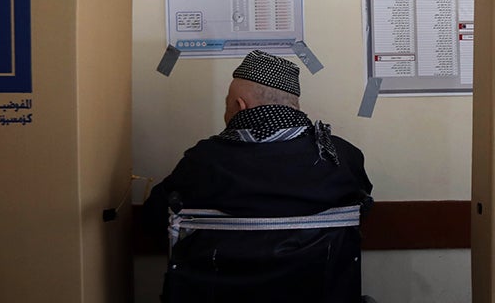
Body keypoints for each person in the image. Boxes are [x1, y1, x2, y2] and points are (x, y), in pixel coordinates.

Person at [144, 50, 372, 222]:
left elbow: (153, 217)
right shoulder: (342, 157)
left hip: (222, 283)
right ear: (295, 106)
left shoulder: (204, 161)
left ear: (240, 107)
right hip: (322, 283)